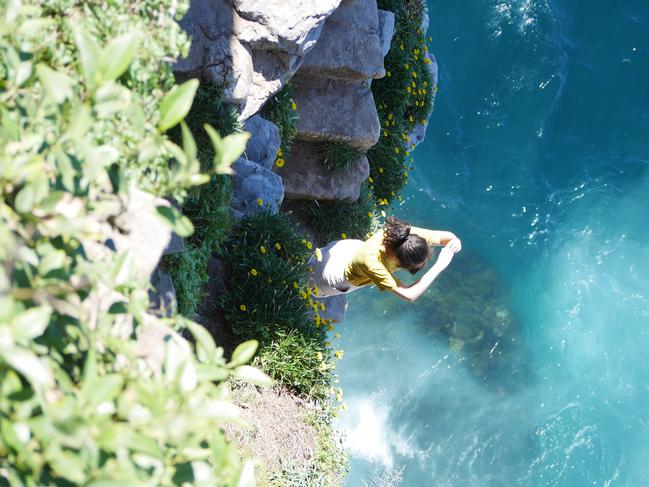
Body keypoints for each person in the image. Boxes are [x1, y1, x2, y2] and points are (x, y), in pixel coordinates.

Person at [310, 216, 462, 302]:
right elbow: (410, 295)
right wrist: (439, 266)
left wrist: (455, 242)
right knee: (308, 285)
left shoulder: (405, 236)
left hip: (344, 251)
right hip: (332, 277)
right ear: (397, 262)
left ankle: (309, 261)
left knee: (313, 260)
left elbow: (448, 237)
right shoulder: (373, 263)